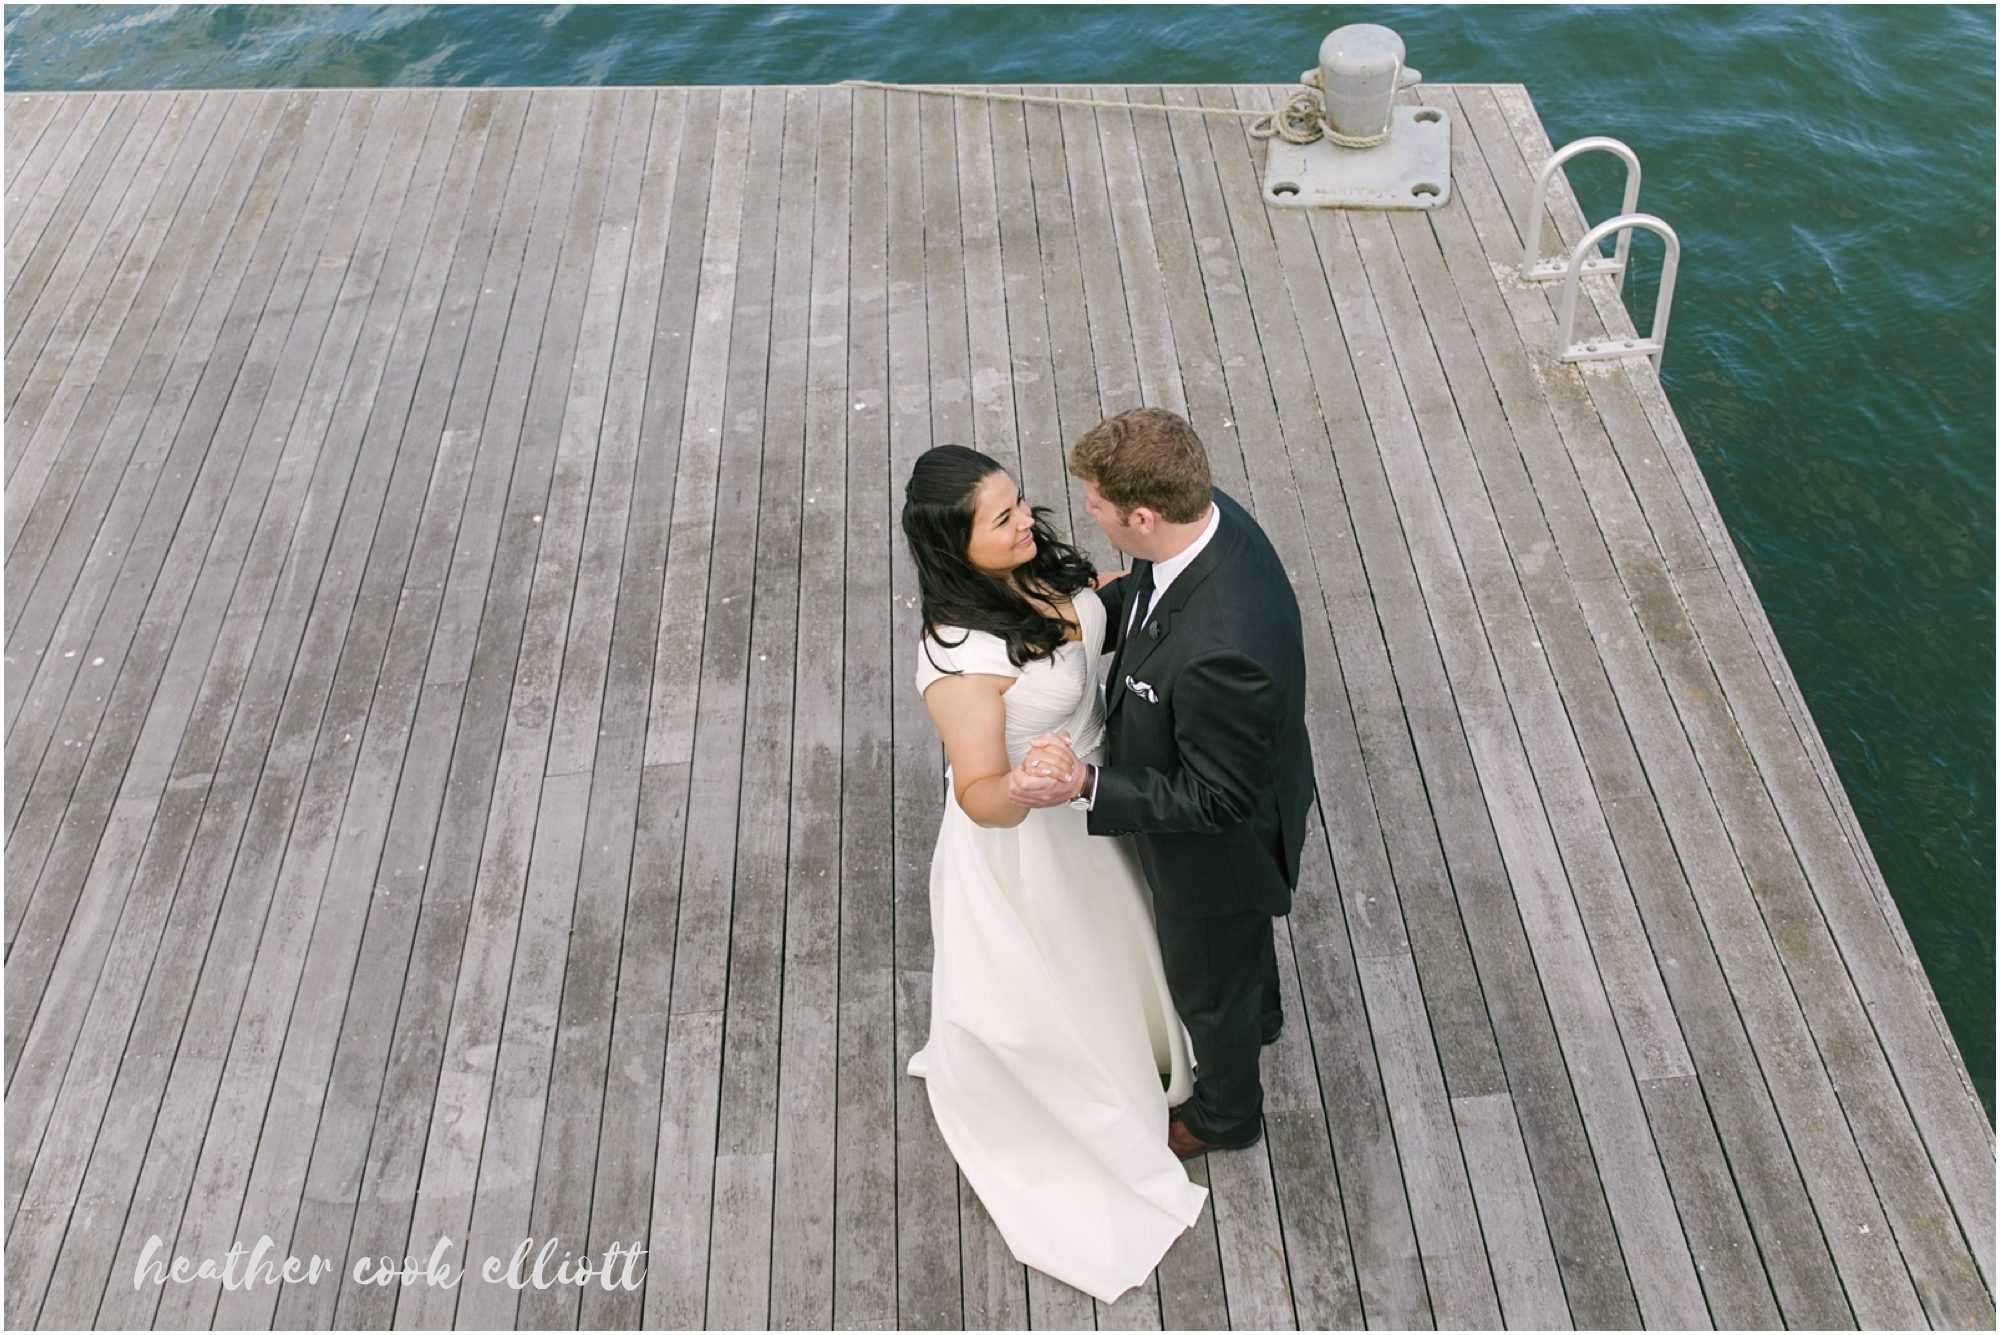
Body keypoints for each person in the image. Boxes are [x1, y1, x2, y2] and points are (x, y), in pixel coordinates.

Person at [900, 443, 1208, 1303]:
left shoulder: (1035, 571)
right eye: (1003, 519)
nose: (1027, 521)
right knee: (1075, 968)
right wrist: (1033, 786)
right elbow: (978, 796)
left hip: (1101, 790)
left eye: (1021, 502)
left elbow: (1095, 604)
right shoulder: (959, 658)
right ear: (955, 546)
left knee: (1131, 936)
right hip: (1038, 835)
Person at [1011, 407, 1314, 1160]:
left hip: (1218, 854)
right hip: (1237, 788)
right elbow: (1145, 597)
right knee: (1238, 972)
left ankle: (1226, 1114)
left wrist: (1087, 782)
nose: (1086, 509)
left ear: (1142, 515)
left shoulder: (1225, 650)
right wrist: (1079, 616)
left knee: (1210, 992)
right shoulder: (1203, 519)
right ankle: (1264, 1015)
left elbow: (1217, 801)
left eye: (1098, 503)